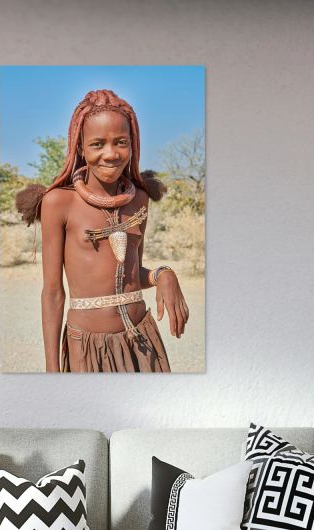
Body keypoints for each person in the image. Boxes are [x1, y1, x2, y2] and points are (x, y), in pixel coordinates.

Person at [16, 89, 190, 373]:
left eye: (121, 142)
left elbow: (131, 276)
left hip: (142, 342)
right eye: (97, 144)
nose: (110, 154)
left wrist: (163, 275)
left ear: (132, 145)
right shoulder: (59, 202)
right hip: (87, 348)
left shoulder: (140, 200)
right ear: (81, 148)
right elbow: (52, 293)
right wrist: (51, 370)